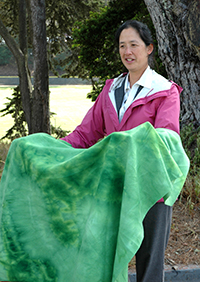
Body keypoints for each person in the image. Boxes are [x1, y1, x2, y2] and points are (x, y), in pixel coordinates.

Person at [61, 20, 182, 282]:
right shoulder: (111, 89)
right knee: (107, 256)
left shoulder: (164, 92)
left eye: (134, 45)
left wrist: (124, 144)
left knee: (149, 263)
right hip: (114, 187)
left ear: (149, 48)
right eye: (122, 46)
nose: (127, 52)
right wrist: (57, 147)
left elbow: (166, 138)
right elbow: (87, 133)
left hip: (151, 189)